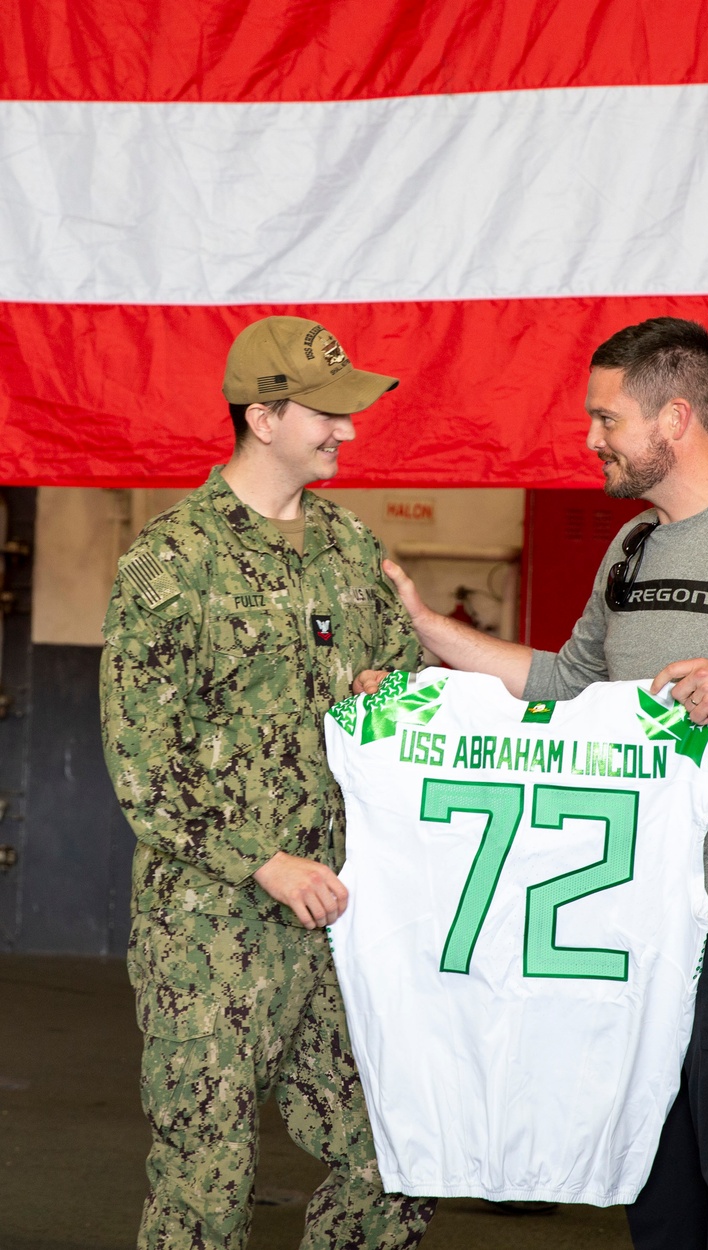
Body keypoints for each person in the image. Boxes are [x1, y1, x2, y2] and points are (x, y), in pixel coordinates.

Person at [355, 317, 708, 1250]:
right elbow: (566, 687)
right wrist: (431, 632)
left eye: (605, 418)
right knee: (657, 1199)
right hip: (639, 929)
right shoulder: (632, 547)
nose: (590, 439)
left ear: (674, 418)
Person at [100, 316, 435, 1250]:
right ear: (262, 417)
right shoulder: (172, 562)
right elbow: (141, 762)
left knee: (397, 1152)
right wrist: (264, 862)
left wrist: (388, 694)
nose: (348, 430)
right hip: (211, 924)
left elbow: (402, 686)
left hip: (341, 915)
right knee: (206, 1185)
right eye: (326, 414)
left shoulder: (352, 551)